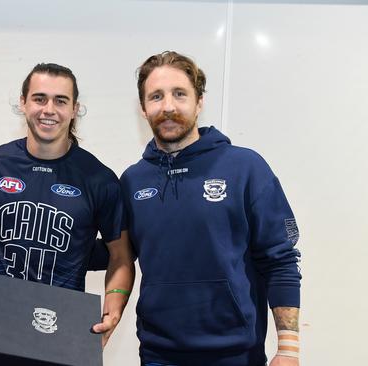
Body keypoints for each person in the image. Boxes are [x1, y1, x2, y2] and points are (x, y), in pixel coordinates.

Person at [121, 51, 301, 366]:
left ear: (199, 101)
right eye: (156, 96)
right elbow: (118, 254)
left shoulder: (245, 167)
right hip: (158, 354)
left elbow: (280, 259)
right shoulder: (133, 180)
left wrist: (288, 349)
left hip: (235, 354)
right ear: (143, 108)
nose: (168, 106)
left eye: (180, 94)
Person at [0, 63, 135, 362]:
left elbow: (121, 256)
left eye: (60, 100)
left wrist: (115, 306)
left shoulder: (99, 179)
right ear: (23, 103)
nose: (49, 109)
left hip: (63, 331)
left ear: (74, 109)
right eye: (40, 98)